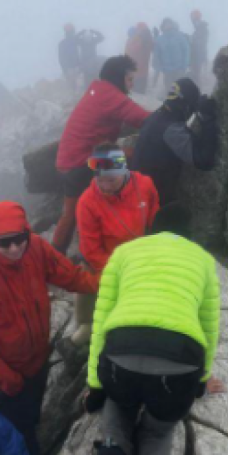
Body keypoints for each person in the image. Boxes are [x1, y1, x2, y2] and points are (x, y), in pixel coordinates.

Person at [81, 203, 225, 455]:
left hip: (121, 354)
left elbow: (101, 318)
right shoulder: (204, 260)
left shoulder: (125, 251)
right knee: (159, 429)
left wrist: (96, 385)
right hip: (177, 366)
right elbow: (209, 326)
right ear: (188, 238)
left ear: (150, 232)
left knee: (120, 400)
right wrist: (202, 381)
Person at [0, 201, 99, 455]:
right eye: (4, 243)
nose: (14, 249)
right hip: (2, 382)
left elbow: (68, 276)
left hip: (35, 364)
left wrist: (105, 284)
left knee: (28, 424)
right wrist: (10, 381)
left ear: (27, 232)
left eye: (19, 239)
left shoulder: (36, 249)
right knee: (12, 441)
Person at [55, 145, 159, 365]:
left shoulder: (145, 186)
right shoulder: (87, 202)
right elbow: (91, 250)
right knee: (86, 322)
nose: (104, 186)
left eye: (111, 180)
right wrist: (120, 274)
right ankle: (78, 345)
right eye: (100, 180)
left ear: (124, 171)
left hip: (139, 261)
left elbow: (153, 222)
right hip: (101, 267)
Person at [52, 55, 151, 254]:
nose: (132, 85)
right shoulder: (111, 96)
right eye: (130, 79)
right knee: (137, 155)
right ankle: (123, 233)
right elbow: (144, 119)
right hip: (81, 161)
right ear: (118, 78)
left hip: (70, 159)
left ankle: (55, 255)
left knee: (70, 213)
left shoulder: (98, 90)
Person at [131, 78, 219, 205]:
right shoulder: (171, 130)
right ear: (186, 105)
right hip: (151, 201)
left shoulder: (155, 117)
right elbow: (204, 161)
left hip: (137, 191)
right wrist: (208, 118)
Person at [153, 18, 191, 94]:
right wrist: (159, 67)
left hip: (179, 69)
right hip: (167, 70)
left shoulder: (180, 36)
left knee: (180, 89)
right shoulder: (160, 39)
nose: (167, 26)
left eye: (169, 24)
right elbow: (157, 54)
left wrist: (184, 66)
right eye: (165, 24)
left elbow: (186, 51)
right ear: (162, 26)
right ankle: (171, 104)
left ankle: (180, 104)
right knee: (169, 89)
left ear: (172, 25)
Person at [124, 23, 153, 95]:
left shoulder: (144, 40)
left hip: (139, 71)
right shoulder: (134, 40)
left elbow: (151, 48)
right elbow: (132, 51)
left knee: (137, 92)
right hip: (136, 71)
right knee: (136, 92)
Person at [58, 23, 81, 96]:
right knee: (77, 86)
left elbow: (61, 58)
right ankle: (76, 99)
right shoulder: (75, 41)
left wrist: (64, 69)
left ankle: (74, 99)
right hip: (74, 66)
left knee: (72, 86)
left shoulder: (62, 43)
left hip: (70, 67)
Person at [188, 10, 209, 86]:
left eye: (193, 19)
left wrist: (191, 42)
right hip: (197, 56)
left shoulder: (201, 29)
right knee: (196, 74)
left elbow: (200, 43)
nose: (192, 21)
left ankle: (197, 91)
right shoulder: (199, 29)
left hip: (197, 56)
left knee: (196, 75)